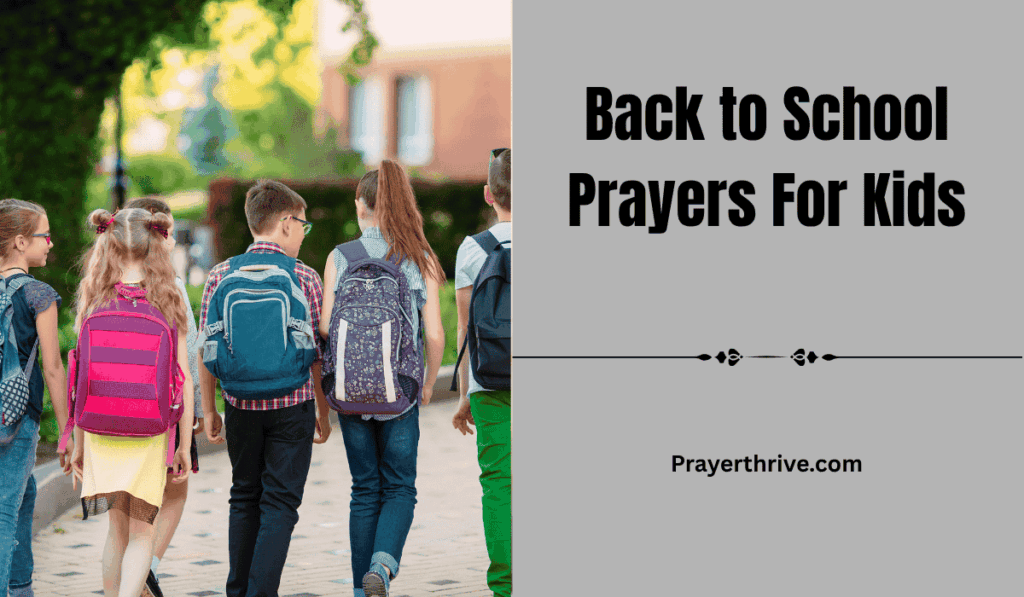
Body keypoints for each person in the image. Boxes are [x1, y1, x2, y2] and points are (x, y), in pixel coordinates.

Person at [198, 180, 330, 597]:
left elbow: (207, 345)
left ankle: (238, 590)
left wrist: (210, 409)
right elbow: (316, 354)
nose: (302, 236)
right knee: (280, 503)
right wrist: (323, 412)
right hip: (293, 404)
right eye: (303, 227)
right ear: (287, 224)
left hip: (239, 402)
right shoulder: (305, 278)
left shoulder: (220, 274)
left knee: (244, 495)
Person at [320, 160, 445, 597]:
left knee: (364, 490)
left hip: (351, 394)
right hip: (401, 393)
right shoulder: (419, 256)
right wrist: (428, 384)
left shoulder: (341, 257)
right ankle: (383, 566)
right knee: (400, 488)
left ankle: (361, 590)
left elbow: (324, 327)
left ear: (360, 205)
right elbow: (432, 332)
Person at [69, 207, 195, 597]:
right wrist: (183, 445)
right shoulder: (168, 297)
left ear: (107, 245)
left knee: (115, 532)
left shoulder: (92, 297)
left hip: (102, 428)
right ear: (155, 243)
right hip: (149, 431)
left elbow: (80, 375)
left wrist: (77, 440)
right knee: (143, 534)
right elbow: (184, 379)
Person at [123, 197, 203, 597]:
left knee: (123, 516)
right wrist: (198, 414)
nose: (171, 240)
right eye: (167, 231)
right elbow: (187, 358)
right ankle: (145, 574)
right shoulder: (168, 283)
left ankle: (131, 577)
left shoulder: (105, 282)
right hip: (166, 413)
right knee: (173, 494)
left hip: (118, 412)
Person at [0, 199, 69, 597]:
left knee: (24, 497)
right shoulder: (39, 294)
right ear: (22, 242)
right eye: (45, 235)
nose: (50, 243)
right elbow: (53, 368)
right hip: (16, 420)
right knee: (6, 511)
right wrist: (65, 431)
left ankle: (21, 587)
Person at [452, 148, 512, 597]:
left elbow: (465, 328)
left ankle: (506, 585)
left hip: (489, 381)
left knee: (499, 482)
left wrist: (461, 396)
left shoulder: (473, 249)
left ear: (489, 194)